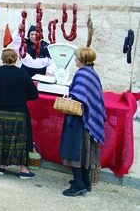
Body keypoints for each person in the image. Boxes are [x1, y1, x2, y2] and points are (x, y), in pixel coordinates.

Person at [58, 47, 106, 196]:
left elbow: (79, 97)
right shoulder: (92, 73)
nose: (75, 60)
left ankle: (78, 184)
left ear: (80, 60)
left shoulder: (82, 74)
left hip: (80, 120)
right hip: (89, 120)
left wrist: (69, 98)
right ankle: (86, 182)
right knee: (86, 151)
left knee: (75, 150)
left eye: (76, 58)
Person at [0, 49, 39, 178]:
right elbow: (34, 94)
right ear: (16, 59)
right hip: (18, 112)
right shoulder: (22, 73)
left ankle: (1, 166)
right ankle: (23, 170)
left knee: (1, 137)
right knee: (21, 140)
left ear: (2, 59)